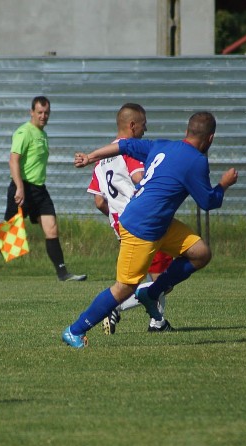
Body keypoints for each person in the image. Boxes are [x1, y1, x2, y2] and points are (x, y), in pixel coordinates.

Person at [62, 112, 239, 348]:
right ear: (211, 138)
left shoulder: (162, 145)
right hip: (141, 226)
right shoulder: (196, 161)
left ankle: (152, 293)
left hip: (159, 223)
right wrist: (224, 184)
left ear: (188, 131)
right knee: (124, 287)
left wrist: (90, 157)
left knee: (200, 253)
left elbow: (123, 145)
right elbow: (208, 202)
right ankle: (74, 330)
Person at [0, 96, 86, 282]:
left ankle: (63, 274)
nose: (43, 116)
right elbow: (13, 160)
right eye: (40, 112)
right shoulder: (24, 132)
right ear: (32, 112)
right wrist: (19, 187)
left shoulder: (42, 134)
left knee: (51, 229)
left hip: (39, 190)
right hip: (22, 187)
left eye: (46, 113)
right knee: (9, 230)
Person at [86, 103, 174, 334]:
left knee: (140, 279)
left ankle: (157, 323)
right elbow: (140, 178)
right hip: (143, 223)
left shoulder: (101, 159)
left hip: (121, 225)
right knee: (164, 280)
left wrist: (117, 218)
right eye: (143, 125)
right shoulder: (129, 150)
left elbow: (98, 201)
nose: (146, 131)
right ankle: (115, 307)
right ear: (132, 126)